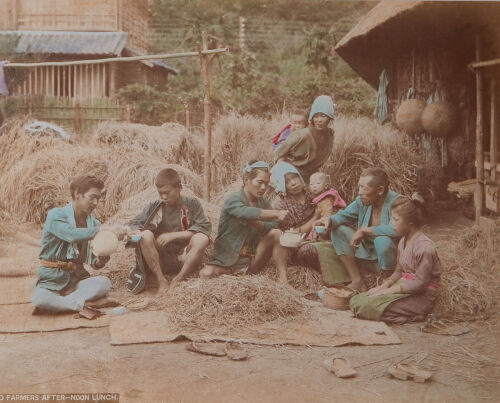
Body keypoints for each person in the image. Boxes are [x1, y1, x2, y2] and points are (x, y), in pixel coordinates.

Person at [31, 175, 125, 317]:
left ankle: (63, 304)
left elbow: (94, 262)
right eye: (92, 197)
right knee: (39, 299)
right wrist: (105, 230)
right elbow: (71, 234)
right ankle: (82, 304)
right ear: (77, 194)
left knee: (104, 283)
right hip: (51, 279)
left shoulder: (93, 223)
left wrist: (103, 256)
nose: (95, 202)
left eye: (98, 198)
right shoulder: (56, 215)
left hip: (75, 281)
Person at [350, 195, 441, 324]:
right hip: (404, 288)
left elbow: (420, 284)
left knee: (367, 307)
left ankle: (413, 316)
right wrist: (383, 286)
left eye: (395, 219)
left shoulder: (425, 248)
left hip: (421, 296)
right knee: (357, 301)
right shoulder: (403, 240)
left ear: (410, 222)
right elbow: (399, 270)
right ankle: (398, 313)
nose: (391, 224)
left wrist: (388, 292)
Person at [200, 161, 290, 284]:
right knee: (206, 274)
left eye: (266, 184)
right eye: (260, 182)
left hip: (252, 258)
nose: (263, 188)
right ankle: (234, 274)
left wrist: (260, 225)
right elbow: (244, 211)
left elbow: (274, 224)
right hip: (227, 259)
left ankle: (283, 281)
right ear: (246, 180)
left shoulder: (263, 202)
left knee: (277, 233)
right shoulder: (233, 199)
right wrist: (275, 213)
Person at [317, 167, 402, 292]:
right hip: (365, 254)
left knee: (382, 241)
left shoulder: (398, 202)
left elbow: (397, 229)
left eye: (364, 188)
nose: (359, 192)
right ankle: (357, 281)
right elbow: (343, 215)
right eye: (359, 187)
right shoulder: (362, 200)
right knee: (338, 229)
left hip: (389, 259)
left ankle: (387, 282)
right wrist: (329, 220)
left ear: (380, 190)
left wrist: (364, 230)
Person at [128, 168, 211, 292]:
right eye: (160, 192)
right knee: (145, 235)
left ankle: (179, 279)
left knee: (202, 238)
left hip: (184, 256)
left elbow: (204, 227)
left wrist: (172, 235)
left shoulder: (192, 204)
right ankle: (161, 280)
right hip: (160, 258)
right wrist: (134, 231)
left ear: (179, 188)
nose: (164, 197)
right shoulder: (154, 206)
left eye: (167, 192)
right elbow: (134, 223)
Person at [274, 95, 335, 181]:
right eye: (316, 116)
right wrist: (281, 170)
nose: (319, 120)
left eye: (323, 116)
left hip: (310, 177)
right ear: (312, 117)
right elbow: (279, 151)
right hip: (290, 175)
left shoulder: (330, 134)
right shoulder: (302, 134)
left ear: (330, 117)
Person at [308, 171, 346, 239]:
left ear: (326, 186)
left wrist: (321, 222)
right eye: (311, 184)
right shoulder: (319, 196)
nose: (314, 186)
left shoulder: (326, 199)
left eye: (318, 183)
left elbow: (327, 214)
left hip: (332, 220)